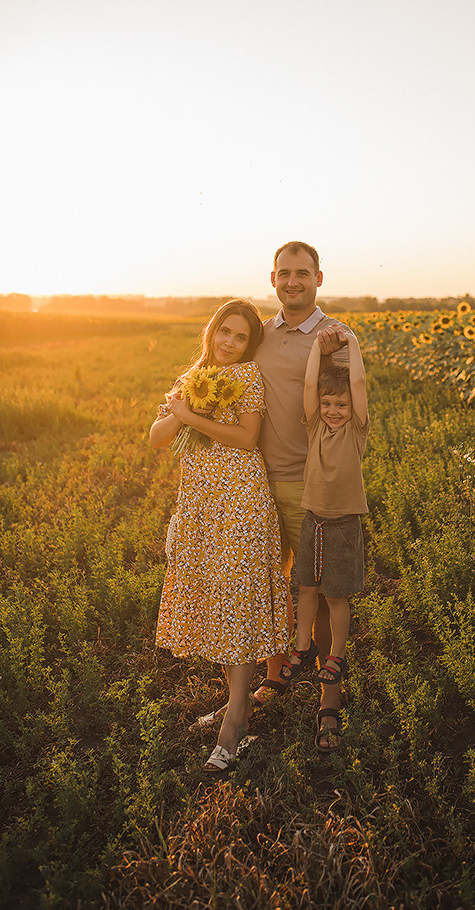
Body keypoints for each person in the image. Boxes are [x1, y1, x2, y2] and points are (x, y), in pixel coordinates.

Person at [149, 299, 289, 774]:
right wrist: (181, 409)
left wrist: (189, 416)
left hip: (240, 501)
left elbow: (247, 437)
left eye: (240, 337)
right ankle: (238, 706)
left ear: (249, 345)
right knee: (215, 602)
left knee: (237, 603)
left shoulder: (247, 377)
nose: (230, 342)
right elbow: (157, 437)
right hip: (201, 504)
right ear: (211, 332)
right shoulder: (193, 376)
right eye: (224, 332)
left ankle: (234, 726)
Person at [253, 242, 355, 750]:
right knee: (269, 585)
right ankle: (275, 678)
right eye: (284, 273)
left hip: (309, 483)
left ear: (318, 278)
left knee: (321, 590)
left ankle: (327, 704)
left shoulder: (336, 336)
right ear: (272, 278)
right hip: (253, 481)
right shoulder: (259, 334)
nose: (293, 281)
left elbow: (349, 408)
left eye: (303, 273)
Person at [279, 333, 369, 750]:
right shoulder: (314, 425)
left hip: (343, 525)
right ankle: (303, 646)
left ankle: (336, 656)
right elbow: (310, 384)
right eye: (328, 404)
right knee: (304, 588)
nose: (333, 411)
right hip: (313, 520)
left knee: (335, 596)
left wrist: (351, 342)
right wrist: (317, 347)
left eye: (341, 405)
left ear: (353, 409)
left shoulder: (357, 431)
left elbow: (359, 383)